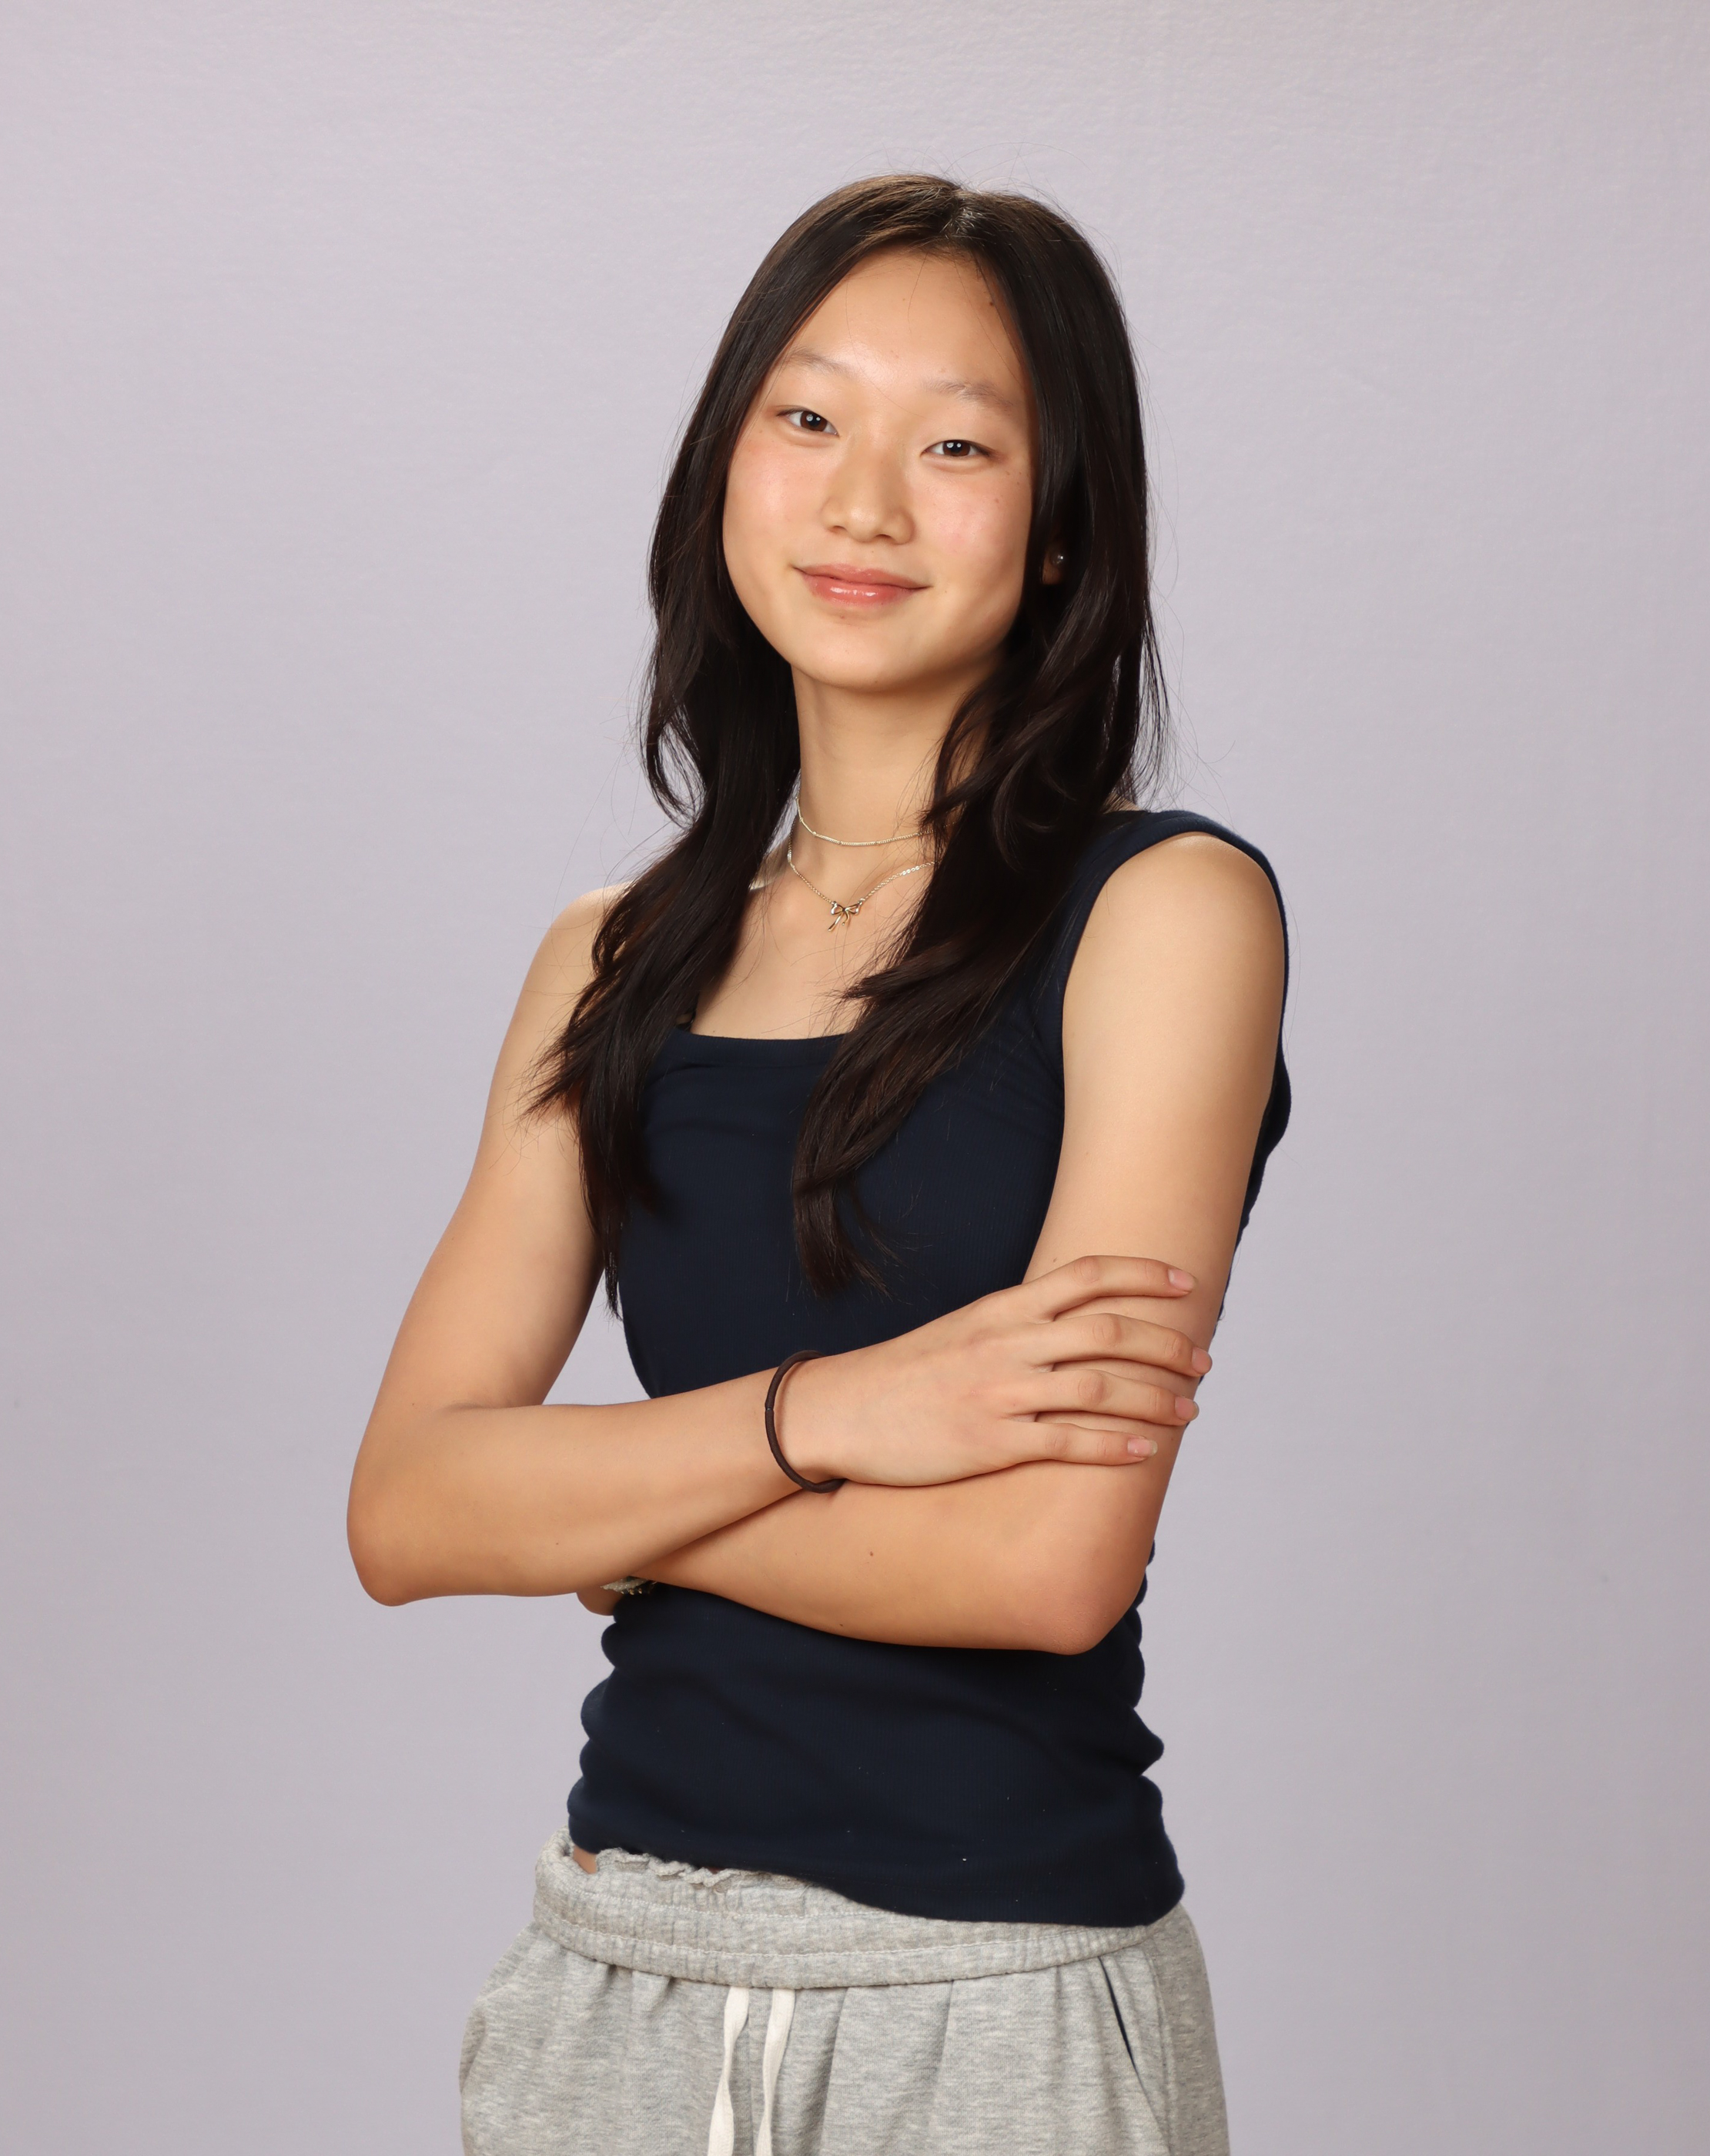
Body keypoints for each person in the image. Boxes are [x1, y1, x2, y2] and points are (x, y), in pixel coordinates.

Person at [348, 174, 1290, 2156]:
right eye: (806, 416)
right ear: (726, 464)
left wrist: (610, 1504)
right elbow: (407, 1506)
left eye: (956, 446)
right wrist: (827, 1416)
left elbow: (1042, 1564)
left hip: (994, 1997)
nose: (863, 501)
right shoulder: (612, 955)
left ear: (1059, 529)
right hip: (610, 1977)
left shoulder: (1163, 910)